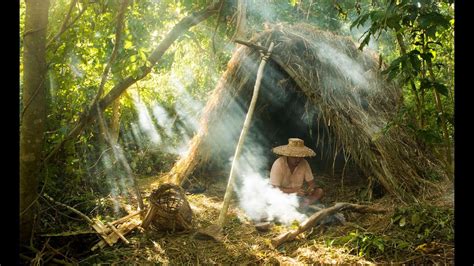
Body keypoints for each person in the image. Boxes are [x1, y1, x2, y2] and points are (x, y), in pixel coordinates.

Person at [269, 138, 324, 211]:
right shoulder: (278, 164)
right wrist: (293, 191)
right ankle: (300, 206)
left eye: (300, 157)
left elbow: (312, 183)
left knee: (319, 191)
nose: (298, 160)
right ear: (288, 155)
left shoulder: (304, 163)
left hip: (299, 197)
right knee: (274, 197)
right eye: (294, 157)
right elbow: (274, 189)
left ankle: (303, 204)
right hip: (282, 196)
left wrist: (311, 188)